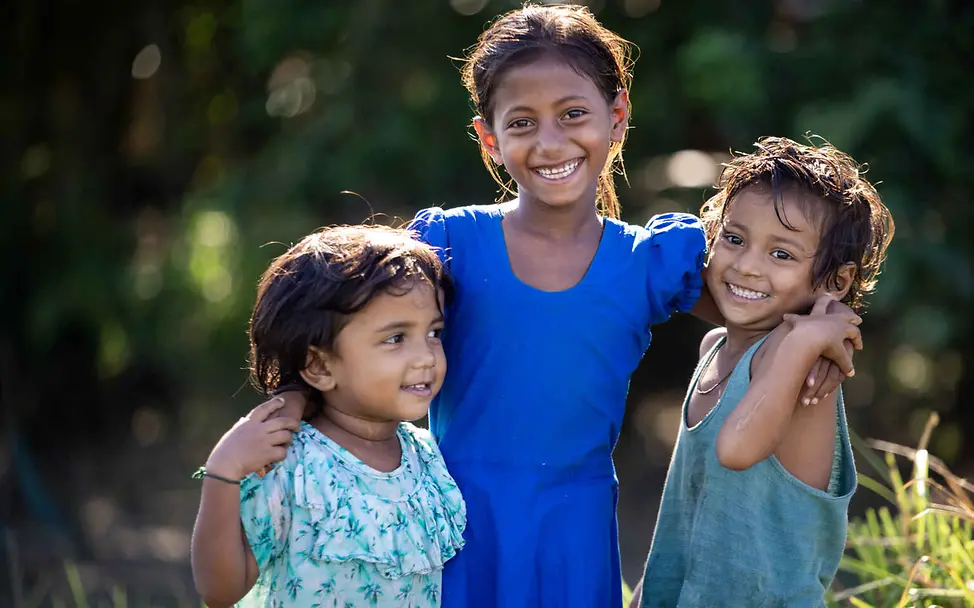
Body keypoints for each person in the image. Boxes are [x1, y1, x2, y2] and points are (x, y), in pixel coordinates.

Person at [271, 5, 850, 606]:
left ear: (617, 117)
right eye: (522, 122)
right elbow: (348, 326)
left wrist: (821, 322)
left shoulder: (646, 263)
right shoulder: (449, 246)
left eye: (573, 114)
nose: (550, 142)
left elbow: (755, 305)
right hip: (456, 523)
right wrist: (293, 399)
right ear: (490, 139)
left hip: (576, 531)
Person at [633, 136, 894, 607]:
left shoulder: (801, 366)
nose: (748, 266)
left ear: (836, 281)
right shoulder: (714, 347)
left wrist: (808, 340)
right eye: (734, 239)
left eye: (782, 254)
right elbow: (685, 518)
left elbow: (736, 449)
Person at [190, 225, 466, 607]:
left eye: (434, 333)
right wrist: (222, 473)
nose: (426, 357)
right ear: (319, 366)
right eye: (395, 338)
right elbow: (219, 591)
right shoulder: (290, 464)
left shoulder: (428, 458)